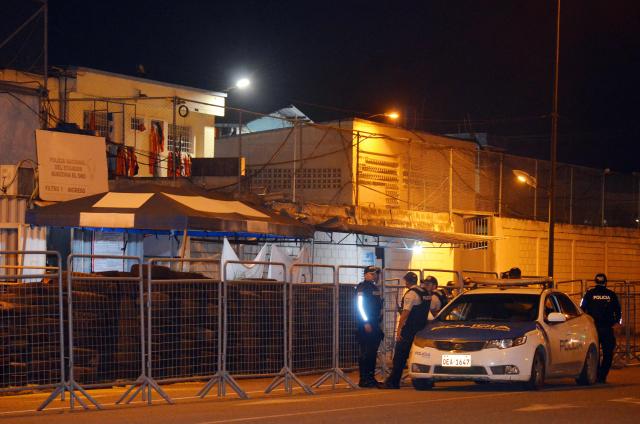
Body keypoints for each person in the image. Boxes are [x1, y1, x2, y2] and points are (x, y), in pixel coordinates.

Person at [383, 272, 430, 389]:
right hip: (421, 329)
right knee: (421, 356)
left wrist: (399, 330)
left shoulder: (411, 294)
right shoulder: (425, 293)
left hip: (409, 329)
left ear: (407, 282)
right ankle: (425, 381)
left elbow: (405, 314)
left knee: (399, 356)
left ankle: (393, 382)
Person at [581, 273, 622, 383]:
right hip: (607, 328)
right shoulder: (611, 295)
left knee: (594, 352)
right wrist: (617, 323)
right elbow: (618, 310)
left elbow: (582, 310)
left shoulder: (589, 294)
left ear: (595, 282)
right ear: (605, 282)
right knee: (608, 352)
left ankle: (594, 373)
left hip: (593, 327)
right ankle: (602, 376)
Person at [355, 265, 384, 388]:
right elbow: (360, 306)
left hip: (374, 323)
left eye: (376, 273)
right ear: (366, 274)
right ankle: (365, 379)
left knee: (372, 352)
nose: (374, 275)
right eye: (372, 273)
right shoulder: (362, 287)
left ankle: (370, 378)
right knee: (366, 353)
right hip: (366, 324)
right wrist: (365, 322)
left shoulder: (374, 287)